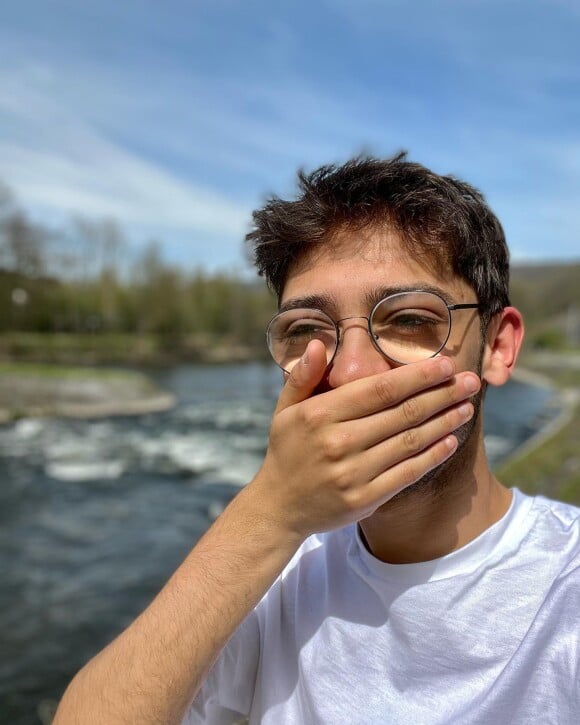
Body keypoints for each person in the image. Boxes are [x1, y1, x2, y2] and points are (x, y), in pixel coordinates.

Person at [54, 154, 580, 724]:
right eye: (307, 329)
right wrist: (270, 512)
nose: (350, 372)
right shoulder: (270, 575)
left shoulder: (565, 587)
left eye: (407, 320)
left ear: (499, 347)